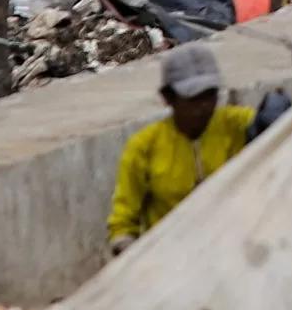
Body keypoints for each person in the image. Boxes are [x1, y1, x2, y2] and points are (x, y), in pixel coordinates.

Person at [108, 40, 256, 252]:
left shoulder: (235, 123)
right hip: (170, 255)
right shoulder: (144, 147)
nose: (204, 106)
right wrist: (129, 251)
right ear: (168, 98)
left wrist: (272, 117)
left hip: (234, 248)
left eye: (210, 95)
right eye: (193, 99)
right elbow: (123, 220)